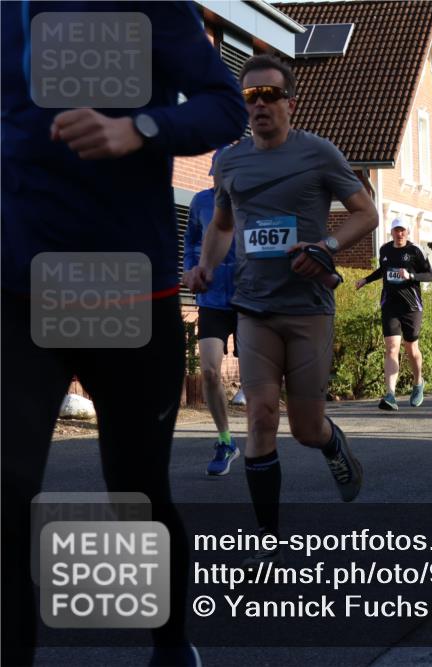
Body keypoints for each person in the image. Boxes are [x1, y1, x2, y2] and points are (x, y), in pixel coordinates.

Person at [1, 3, 247, 664]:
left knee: (135, 489)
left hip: (127, 288)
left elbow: (227, 106)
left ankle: (170, 644)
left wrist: (139, 128)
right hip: (20, 288)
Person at [184, 55, 378, 564]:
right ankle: (268, 538)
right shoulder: (229, 162)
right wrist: (206, 265)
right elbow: (223, 225)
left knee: (306, 428)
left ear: (291, 103)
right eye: (251, 96)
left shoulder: (319, 153)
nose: (261, 104)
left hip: (309, 308)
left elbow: (366, 213)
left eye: (271, 95)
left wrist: (328, 246)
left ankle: (335, 446)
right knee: (262, 416)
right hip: (253, 307)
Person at [184, 155, 242, 475]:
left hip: (249, 298)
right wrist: (191, 268)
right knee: (208, 371)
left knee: (257, 378)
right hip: (212, 298)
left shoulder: (254, 202)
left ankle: (264, 444)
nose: (222, 179)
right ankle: (225, 440)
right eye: (218, 173)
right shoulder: (201, 202)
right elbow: (192, 239)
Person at [356, 219, 432, 410]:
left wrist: (411, 276)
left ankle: (418, 383)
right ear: (391, 232)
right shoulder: (385, 250)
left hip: (411, 307)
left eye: (403, 231)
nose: (400, 234)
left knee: (411, 349)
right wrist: (365, 280)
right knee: (391, 348)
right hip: (390, 305)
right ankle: (390, 394)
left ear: (407, 232)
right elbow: (383, 270)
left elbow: (429, 275)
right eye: (396, 231)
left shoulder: (415, 251)